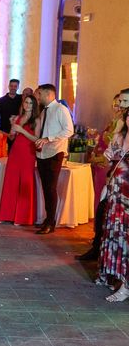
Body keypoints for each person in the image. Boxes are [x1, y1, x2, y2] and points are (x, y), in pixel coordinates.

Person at [77, 91, 127, 261]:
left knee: (107, 209)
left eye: (122, 102)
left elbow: (117, 150)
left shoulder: (122, 124)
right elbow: (109, 149)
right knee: (101, 207)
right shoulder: (117, 123)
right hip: (111, 169)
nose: (118, 106)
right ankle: (99, 245)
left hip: (119, 172)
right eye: (117, 102)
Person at [34, 84, 74, 234]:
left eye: (40, 94)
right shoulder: (44, 111)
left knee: (50, 188)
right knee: (46, 188)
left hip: (55, 152)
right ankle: (48, 219)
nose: (39, 97)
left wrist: (48, 138)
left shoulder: (60, 109)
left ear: (49, 94)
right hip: (43, 153)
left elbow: (69, 130)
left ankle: (51, 222)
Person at [98, 109, 129, 302]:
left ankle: (125, 287)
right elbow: (106, 157)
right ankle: (114, 275)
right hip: (117, 193)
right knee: (115, 234)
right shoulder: (119, 136)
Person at [0, 95, 40, 225]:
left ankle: (22, 217)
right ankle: (6, 215)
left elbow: (36, 139)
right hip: (15, 151)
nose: (27, 105)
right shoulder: (18, 118)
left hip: (28, 153)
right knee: (11, 181)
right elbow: (11, 137)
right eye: (26, 102)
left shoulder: (36, 120)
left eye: (30, 103)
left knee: (25, 182)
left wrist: (22, 130)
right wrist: (10, 130)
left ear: (34, 106)